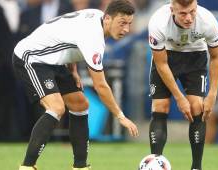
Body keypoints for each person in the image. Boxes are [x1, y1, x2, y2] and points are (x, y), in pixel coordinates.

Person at [12, 1, 139, 170]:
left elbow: (67, 33)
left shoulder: (95, 15)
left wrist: (72, 69)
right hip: (31, 57)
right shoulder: (94, 39)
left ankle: (80, 166)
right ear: (107, 18)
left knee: (80, 104)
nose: (126, 30)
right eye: (122, 23)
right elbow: (100, 85)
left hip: (56, 60)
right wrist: (120, 116)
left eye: (129, 24)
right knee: (56, 108)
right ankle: (27, 167)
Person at [147, 0, 218, 170]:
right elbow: (161, 64)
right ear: (172, 9)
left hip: (196, 56)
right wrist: (179, 97)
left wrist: (213, 93)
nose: (189, 18)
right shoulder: (158, 22)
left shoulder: (208, 21)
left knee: (197, 107)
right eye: (183, 13)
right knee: (160, 105)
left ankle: (196, 167)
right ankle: (155, 165)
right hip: (167, 57)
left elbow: (216, 57)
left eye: (192, 12)